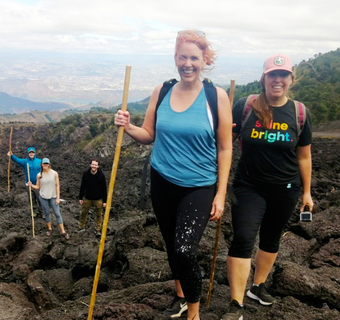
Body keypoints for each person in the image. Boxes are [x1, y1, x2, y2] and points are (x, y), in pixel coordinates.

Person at [114, 30, 232, 320]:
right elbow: (148, 134)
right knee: (171, 245)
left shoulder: (215, 97)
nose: (187, 63)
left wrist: (221, 193)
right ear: (175, 59)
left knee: (183, 250)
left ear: (205, 60)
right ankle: (179, 297)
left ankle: (194, 312)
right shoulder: (163, 91)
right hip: (163, 181)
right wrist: (128, 127)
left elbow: (226, 148)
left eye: (194, 57)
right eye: (183, 57)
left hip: (199, 186)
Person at [221, 54, 314, 320]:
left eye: (283, 75)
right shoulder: (245, 105)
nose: (277, 80)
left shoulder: (299, 113)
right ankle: (235, 304)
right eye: (272, 74)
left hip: (286, 188)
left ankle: (257, 286)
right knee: (243, 237)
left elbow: (304, 156)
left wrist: (307, 192)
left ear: (290, 79)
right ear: (264, 78)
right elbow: (226, 142)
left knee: (271, 238)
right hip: (249, 185)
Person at [29, 158, 69, 240]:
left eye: (46, 164)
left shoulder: (54, 173)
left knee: (57, 214)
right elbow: (38, 187)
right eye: (44, 164)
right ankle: (49, 229)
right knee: (46, 213)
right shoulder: (39, 175)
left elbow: (57, 185)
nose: (45, 165)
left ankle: (63, 231)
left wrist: (58, 198)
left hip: (53, 197)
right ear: (41, 164)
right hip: (43, 197)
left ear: (49, 164)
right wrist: (31, 185)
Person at [7, 147, 43, 216]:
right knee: (31, 200)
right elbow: (17, 160)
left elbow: (46, 167)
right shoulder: (25, 162)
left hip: (38, 184)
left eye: (32, 152)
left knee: (40, 199)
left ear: (35, 153)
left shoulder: (39, 161)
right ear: (28, 154)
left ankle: (42, 212)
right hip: (29, 184)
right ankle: (34, 212)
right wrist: (11, 155)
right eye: (30, 152)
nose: (31, 154)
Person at [77, 159, 107, 235]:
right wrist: (80, 197)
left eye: (95, 165)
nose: (94, 166)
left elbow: (104, 188)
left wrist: (104, 201)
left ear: (98, 166)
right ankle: (81, 227)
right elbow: (82, 186)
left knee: (99, 214)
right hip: (87, 198)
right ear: (90, 165)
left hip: (98, 198)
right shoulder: (86, 174)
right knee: (83, 213)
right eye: (93, 164)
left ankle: (97, 229)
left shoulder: (101, 175)